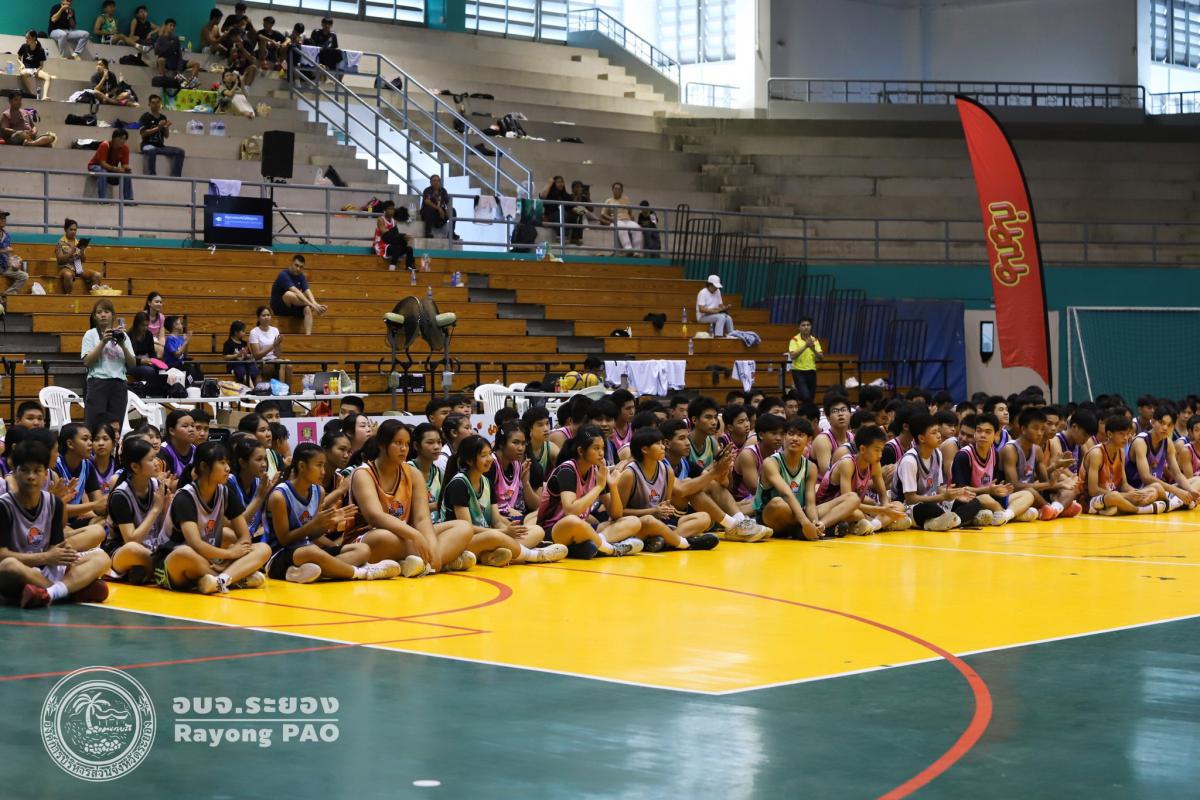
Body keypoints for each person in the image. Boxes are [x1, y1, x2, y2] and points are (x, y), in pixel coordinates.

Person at [349, 420, 474, 575]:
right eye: (398, 443)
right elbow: (375, 517)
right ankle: (442, 561)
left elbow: (422, 519)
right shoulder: (363, 473)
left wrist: (431, 545)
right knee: (384, 537)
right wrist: (415, 535)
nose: (404, 448)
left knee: (463, 527)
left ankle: (422, 562)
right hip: (370, 536)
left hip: (406, 536)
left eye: (407, 444)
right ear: (381, 444)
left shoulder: (413, 473)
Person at [264, 443, 399, 583]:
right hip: (278, 556)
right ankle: (364, 573)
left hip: (307, 551)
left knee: (362, 549)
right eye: (319, 465)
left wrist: (326, 524)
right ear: (302, 466)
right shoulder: (279, 496)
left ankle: (306, 572)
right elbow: (285, 540)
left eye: (324, 465)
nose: (323, 471)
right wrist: (314, 524)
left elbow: (312, 535)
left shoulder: (318, 491)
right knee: (312, 551)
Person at [0, 440, 111, 608]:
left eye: (37, 470)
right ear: (14, 473)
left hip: (46, 569)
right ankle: (68, 591)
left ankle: (48, 593)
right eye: (24, 470)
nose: (31, 476)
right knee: (8, 565)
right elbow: (2, 555)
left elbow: (56, 549)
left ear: (46, 474)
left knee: (101, 557)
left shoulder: (54, 503)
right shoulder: (4, 506)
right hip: (21, 569)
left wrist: (66, 555)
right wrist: (46, 557)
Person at [153, 442, 271, 593]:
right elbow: (195, 544)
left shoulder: (225, 492)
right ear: (204, 466)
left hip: (210, 559)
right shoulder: (185, 497)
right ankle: (236, 579)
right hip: (174, 561)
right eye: (222, 463)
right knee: (184, 553)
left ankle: (219, 581)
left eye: (228, 463)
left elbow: (244, 536)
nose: (227, 468)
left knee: (263, 548)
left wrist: (227, 559)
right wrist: (230, 554)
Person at [443, 434, 566, 566]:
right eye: (483, 455)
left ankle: (489, 556)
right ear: (469, 460)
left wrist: (510, 530)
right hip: (461, 542)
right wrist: (502, 533)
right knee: (494, 537)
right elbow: (467, 528)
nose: (490, 458)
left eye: (490, 453)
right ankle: (534, 555)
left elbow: (496, 520)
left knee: (537, 530)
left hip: (487, 536)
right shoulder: (459, 484)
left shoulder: (487, 482)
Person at [536, 426, 643, 559]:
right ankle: (611, 549)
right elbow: (571, 511)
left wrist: (613, 485)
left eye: (603, 448)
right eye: (596, 448)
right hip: (554, 531)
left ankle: (594, 544)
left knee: (633, 521)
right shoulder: (567, 470)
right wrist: (599, 487)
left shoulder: (597, 471)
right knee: (572, 521)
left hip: (582, 528)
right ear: (581, 451)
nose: (601, 453)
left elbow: (616, 514)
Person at [754, 416, 860, 540]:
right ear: (784, 437)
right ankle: (803, 529)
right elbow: (786, 494)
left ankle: (820, 527)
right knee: (778, 503)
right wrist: (805, 522)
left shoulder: (811, 467)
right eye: (790, 434)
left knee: (852, 498)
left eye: (800, 435)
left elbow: (810, 503)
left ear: (809, 440)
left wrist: (814, 522)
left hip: (799, 513)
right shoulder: (771, 462)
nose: (794, 438)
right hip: (771, 516)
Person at [616, 427, 717, 552]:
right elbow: (619, 513)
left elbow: (665, 504)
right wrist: (652, 511)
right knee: (649, 520)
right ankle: (684, 542)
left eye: (662, 443)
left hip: (660, 523)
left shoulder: (667, 471)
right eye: (658, 444)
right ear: (645, 449)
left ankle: (664, 541)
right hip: (638, 525)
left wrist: (667, 510)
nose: (663, 447)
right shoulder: (629, 474)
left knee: (704, 517)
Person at [816, 425, 911, 534]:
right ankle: (884, 524)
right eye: (876, 450)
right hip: (829, 509)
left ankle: (873, 525)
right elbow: (848, 502)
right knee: (857, 514)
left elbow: (883, 495)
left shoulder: (875, 464)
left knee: (898, 505)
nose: (880, 455)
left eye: (881, 450)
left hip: (853, 507)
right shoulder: (847, 464)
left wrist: (887, 506)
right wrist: (882, 510)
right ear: (862, 449)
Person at [104, 436, 172, 584]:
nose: (157, 463)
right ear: (135, 467)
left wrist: (166, 508)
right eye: (151, 459)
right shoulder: (120, 495)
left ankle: (151, 570)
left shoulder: (158, 485)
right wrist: (156, 509)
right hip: (122, 552)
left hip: (153, 549)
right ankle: (164, 571)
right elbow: (131, 540)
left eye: (156, 457)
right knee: (134, 549)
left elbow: (164, 530)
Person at [894, 413, 979, 531]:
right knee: (930, 508)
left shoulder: (937, 453)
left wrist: (955, 493)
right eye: (934, 432)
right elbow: (910, 499)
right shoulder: (910, 461)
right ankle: (955, 519)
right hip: (910, 508)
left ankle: (951, 521)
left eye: (938, 431)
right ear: (921, 438)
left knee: (974, 502)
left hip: (934, 502)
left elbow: (937, 489)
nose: (939, 435)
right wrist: (943, 496)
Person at [950, 413, 1037, 526]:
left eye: (988, 432)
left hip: (989, 496)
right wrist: (988, 490)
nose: (982, 435)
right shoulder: (964, 455)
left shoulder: (994, 454)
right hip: (967, 501)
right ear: (975, 433)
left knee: (1027, 495)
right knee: (986, 499)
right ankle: (1013, 514)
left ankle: (1006, 515)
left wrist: (999, 489)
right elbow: (961, 491)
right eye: (979, 431)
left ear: (996, 435)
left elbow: (992, 485)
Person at [1000, 407, 1082, 520]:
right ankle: (1054, 508)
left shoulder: (1037, 450)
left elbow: (1045, 482)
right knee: (1029, 491)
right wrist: (1051, 484)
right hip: (1014, 495)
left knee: (1070, 491)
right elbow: (1015, 486)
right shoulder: (1010, 449)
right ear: (1023, 429)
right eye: (1035, 428)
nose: (1040, 433)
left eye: (1042, 429)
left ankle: (1054, 509)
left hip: (1033, 492)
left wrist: (1056, 469)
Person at [1082, 416, 1168, 516]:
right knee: (1114, 496)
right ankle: (1139, 510)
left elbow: (1123, 484)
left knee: (1156, 487)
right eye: (1121, 434)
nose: (1126, 438)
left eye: (1127, 434)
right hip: (1090, 500)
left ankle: (1120, 508)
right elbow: (1093, 491)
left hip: (1116, 496)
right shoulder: (1096, 454)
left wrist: (1136, 493)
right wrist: (1126, 496)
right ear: (1109, 434)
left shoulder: (1121, 452)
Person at [1125, 405, 1195, 511]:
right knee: (1156, 488)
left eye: (1169, 425)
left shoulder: (1168, 443)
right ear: (1153, 422)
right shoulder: (1141, 441)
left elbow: (1177, 474)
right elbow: (1146, 478)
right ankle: (1173, 503)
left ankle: (1169, 503)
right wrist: (1177, 491)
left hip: (1158, 489)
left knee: (1197, 480)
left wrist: (1191, 491)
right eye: (1162, 423)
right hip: (1137, 490)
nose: (1165, 428)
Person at [81, 298, 135, 430]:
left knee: (115, 427)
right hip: (98, 383)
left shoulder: (123, 336)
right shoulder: (90, 334)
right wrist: (103, 342)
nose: (103, 315)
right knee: (94, 426)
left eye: (106, 311)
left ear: (113, 315)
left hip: (119, 384)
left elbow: (132, 363)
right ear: (95, 316)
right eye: (99, 312)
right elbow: (87, 362)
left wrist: (122, 345)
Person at [270, 255, 326, 336]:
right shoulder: (283, 275)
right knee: (289, 294)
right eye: (296, 265)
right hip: (280, 307)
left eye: (301, 267)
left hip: (293, 306)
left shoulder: (301, 276)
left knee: (307, 308)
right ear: (291, 263)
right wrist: (313, 305)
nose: (298, 269)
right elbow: (296, 291)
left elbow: (307, 290)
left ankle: (308, 336)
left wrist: (315, 303)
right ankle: (313, 307)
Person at [137, 94, 185, 177]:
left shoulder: (163, 117)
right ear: (149, 104)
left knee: (180, 151)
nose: (156, 105)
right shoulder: (145, 117)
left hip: (160, 146)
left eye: (158, 102)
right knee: (152, 150)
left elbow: (166, 136)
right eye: (153, 103)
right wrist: (158, 127)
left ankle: (176, 176)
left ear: (160, 104)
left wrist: (166, 127)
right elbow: (143, 133)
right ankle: (151, 174)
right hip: (147, 145)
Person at [248, 306, 293, 387]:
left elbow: (278, 354)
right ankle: (281, 391)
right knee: (282, 363)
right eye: (263, 315)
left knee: (289, 364)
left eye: (268, 315)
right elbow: (257, 355)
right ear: (258, 318)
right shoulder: (254, 332)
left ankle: (289, 390)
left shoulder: (275, 330)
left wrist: (278, 344)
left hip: (274, 360)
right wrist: (273, 345)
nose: (266, 317)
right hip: (262, 362)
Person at [88, 128, 135, 203]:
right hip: (95, 167)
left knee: (127, 174)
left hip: (110, 169)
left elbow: (125, 165)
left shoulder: (125, 148)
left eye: (124, 139)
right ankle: (103, 199)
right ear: (114, 138)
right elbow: (103, 164)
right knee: (102, 171)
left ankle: (128, 200)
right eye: (120, 138)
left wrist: (126, 169)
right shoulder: (105, 145)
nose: (122, 141)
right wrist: (116, 169)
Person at [598, 182, 642, 253]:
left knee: (637, 227)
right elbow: (603, 214)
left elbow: (630, 212)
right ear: (612, 190)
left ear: (622, 191)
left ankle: (637, 251)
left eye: (619, 189)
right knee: (621, 226)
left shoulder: (626, 199)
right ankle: (628, 249)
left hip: (627, 220)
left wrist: (632, 218)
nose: (617, 190)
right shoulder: (608, 201)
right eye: (615, 189)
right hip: (616, 221)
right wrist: (612, 219)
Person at [153, 19, 200, 86]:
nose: (172, 27)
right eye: (171, 25)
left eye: (174, 26)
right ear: (166, 26)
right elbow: (156, 52)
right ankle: (162, 79)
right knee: (160, 60)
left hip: (175, 61)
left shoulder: (175, 39)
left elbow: (179, 54)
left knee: (196, 63)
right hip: (166, 62)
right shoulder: (160, 39)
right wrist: (169, 44)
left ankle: (192, 83)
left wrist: (179, 69)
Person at [787, 317, 823, 402]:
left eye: (808, 325)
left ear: (811, 327)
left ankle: (794, 394)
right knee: (805, 396)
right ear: (799, 327)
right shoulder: (794, 340)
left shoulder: (815, 340)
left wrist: (813, 349)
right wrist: (806, 346)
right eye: (803, 325)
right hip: (798, 371)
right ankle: (792, 393)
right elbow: (792, 356)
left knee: (810, 398)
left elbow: (821, 357)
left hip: (811, 370)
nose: (806, 327)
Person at [374, 200, 414, 271]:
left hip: (391, 244)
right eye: (389, 209)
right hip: (382, 245)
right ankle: (392, 268)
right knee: (398, 246)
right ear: (385, 210)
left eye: (393, 209)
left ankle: (409, 266)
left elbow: (395, 236)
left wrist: (404, 239)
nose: (392, 211)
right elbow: (386, 236)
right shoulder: (380, 220)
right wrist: (403, 236)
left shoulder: (393, 221)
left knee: (408, 247)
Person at [17, 30, 53, 101]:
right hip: (26, 69)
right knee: (22, 73)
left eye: (28, 38)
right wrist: (21, 64)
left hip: (36, 69)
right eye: (26, 37)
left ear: (34, 38)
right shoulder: (24, 46)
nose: (26, 39)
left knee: (47, 77)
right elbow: (18, 58)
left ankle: (45, 96)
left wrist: (37, 71)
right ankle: (32, 94)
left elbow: (41, 65)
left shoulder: (40, 50)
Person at [695, 274, 734, 338]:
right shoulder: (703, 292)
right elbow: (701, 309)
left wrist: (725, 307)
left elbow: (720, 305)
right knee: (721, 317)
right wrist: (713, 311)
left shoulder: (718, 291)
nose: (716, 288)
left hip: (714, 314)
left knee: (728, 317)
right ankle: (718, 336)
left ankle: (732, 335)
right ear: (709, 285)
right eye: (715, 287)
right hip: (702, 317)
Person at [0, 211, 28, 299]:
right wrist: (4, 250)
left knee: (24, 276)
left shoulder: (7, 235)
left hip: (5, 267)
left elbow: (9, 252)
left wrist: (13, 261)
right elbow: (6, 250)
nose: (3, 220)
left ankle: (7, 294)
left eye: (4, 218)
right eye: (1, 218)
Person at [222, 320, 259, 386]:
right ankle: (252, 389)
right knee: (242, 371)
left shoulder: (244, 343)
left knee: (254, 369)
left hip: (245, 364)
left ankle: (258, 388)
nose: (245, 333)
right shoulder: (228, 343)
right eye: (243, 331)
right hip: (234, 366)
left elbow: (249, 355)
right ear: (236, 332)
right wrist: (237, 355)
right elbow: (225, 357)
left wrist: (247, 355)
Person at [540, 175, 571, 244]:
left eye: (562, 182)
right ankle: (561, 237)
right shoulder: (549, 194)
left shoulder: (566, 196)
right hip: (550, 216)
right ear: (554, 184)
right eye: (558, 182)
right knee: (562, 213)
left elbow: (572, 207)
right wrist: (549, 184)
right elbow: (542, 196)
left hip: (563, 216)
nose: (561, 184)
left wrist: (580, 211)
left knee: (576, 214)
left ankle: (576, 238)